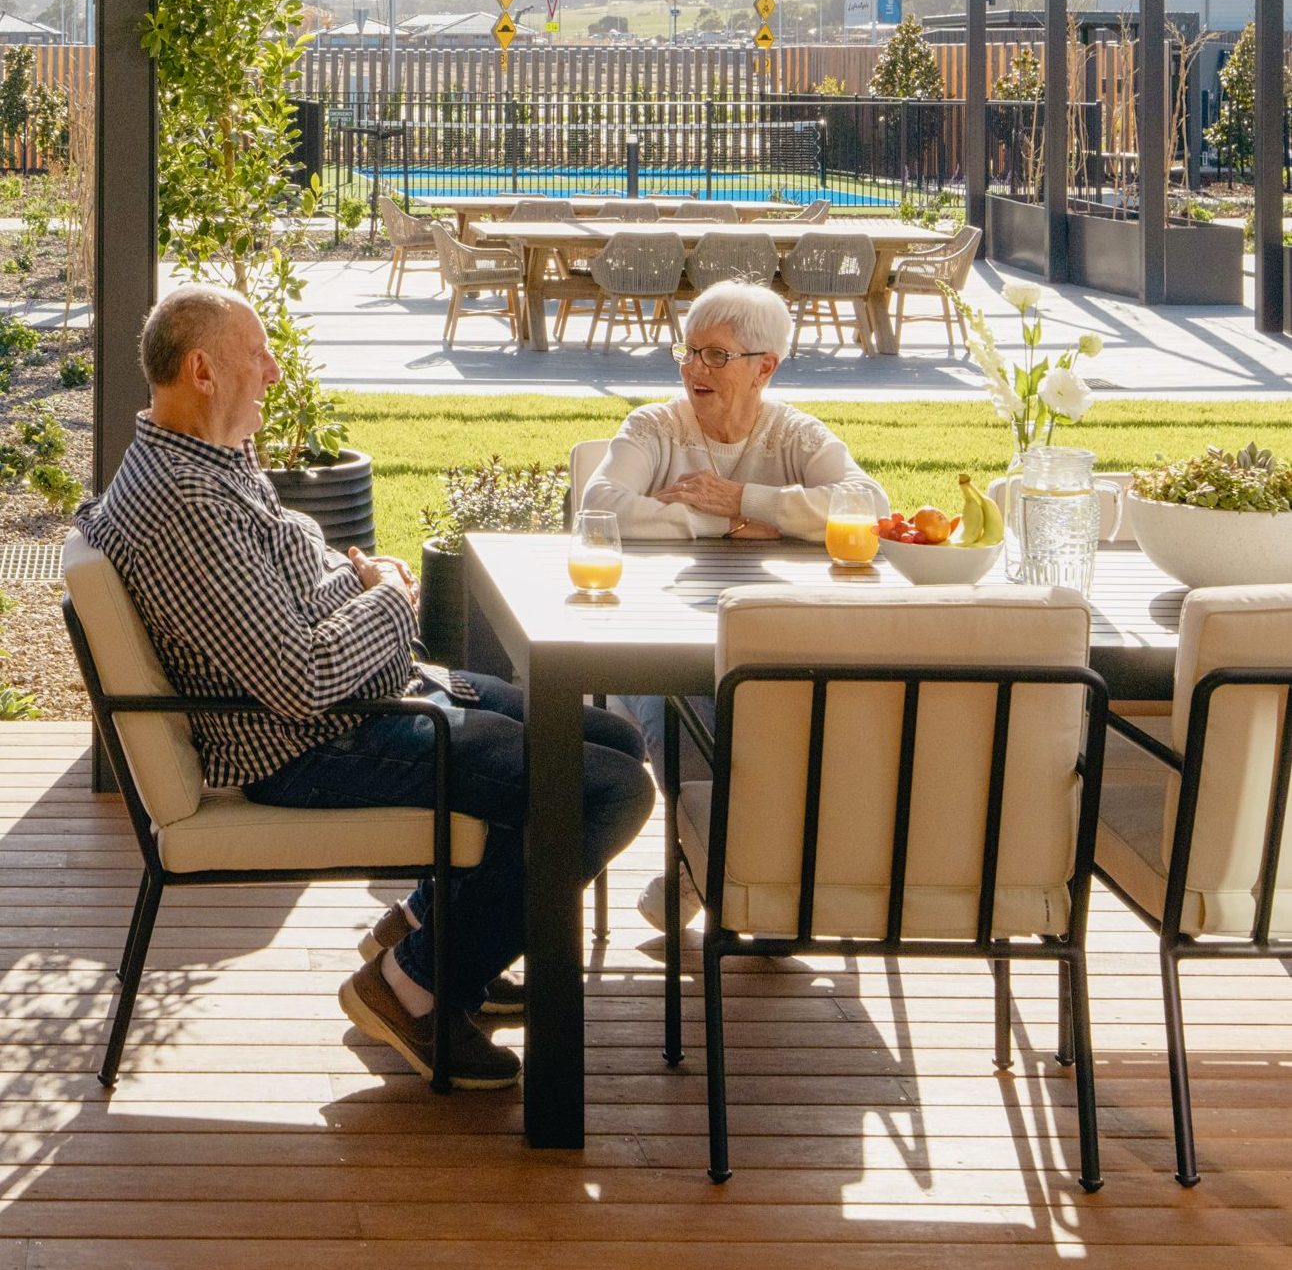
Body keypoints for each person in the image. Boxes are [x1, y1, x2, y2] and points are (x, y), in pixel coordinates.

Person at [75, 284, 653, 1091]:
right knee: (608, 788)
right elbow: (302, 678)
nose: (274, 371)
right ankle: (412, 982)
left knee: (616, 739)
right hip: (317, 744)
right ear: (202, 370)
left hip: (364, 703)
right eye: (258, 354)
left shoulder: (203, 462)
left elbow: (282, 597)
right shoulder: (186, 505)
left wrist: (358, 582)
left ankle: (434, 925)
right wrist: (385, 595)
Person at [582, 279, 889, 930]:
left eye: (715, 355)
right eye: (688, 351)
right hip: (651, 642)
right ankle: (724, 868)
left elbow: (869, 505)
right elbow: (601, 506)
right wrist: (722, 525)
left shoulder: (794, 435)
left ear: (764, 368)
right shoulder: (654, 427)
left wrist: (747, 499)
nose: (695, 368)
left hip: (774, 641)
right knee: (684, 705)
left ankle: (742, 866)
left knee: (798, 705)